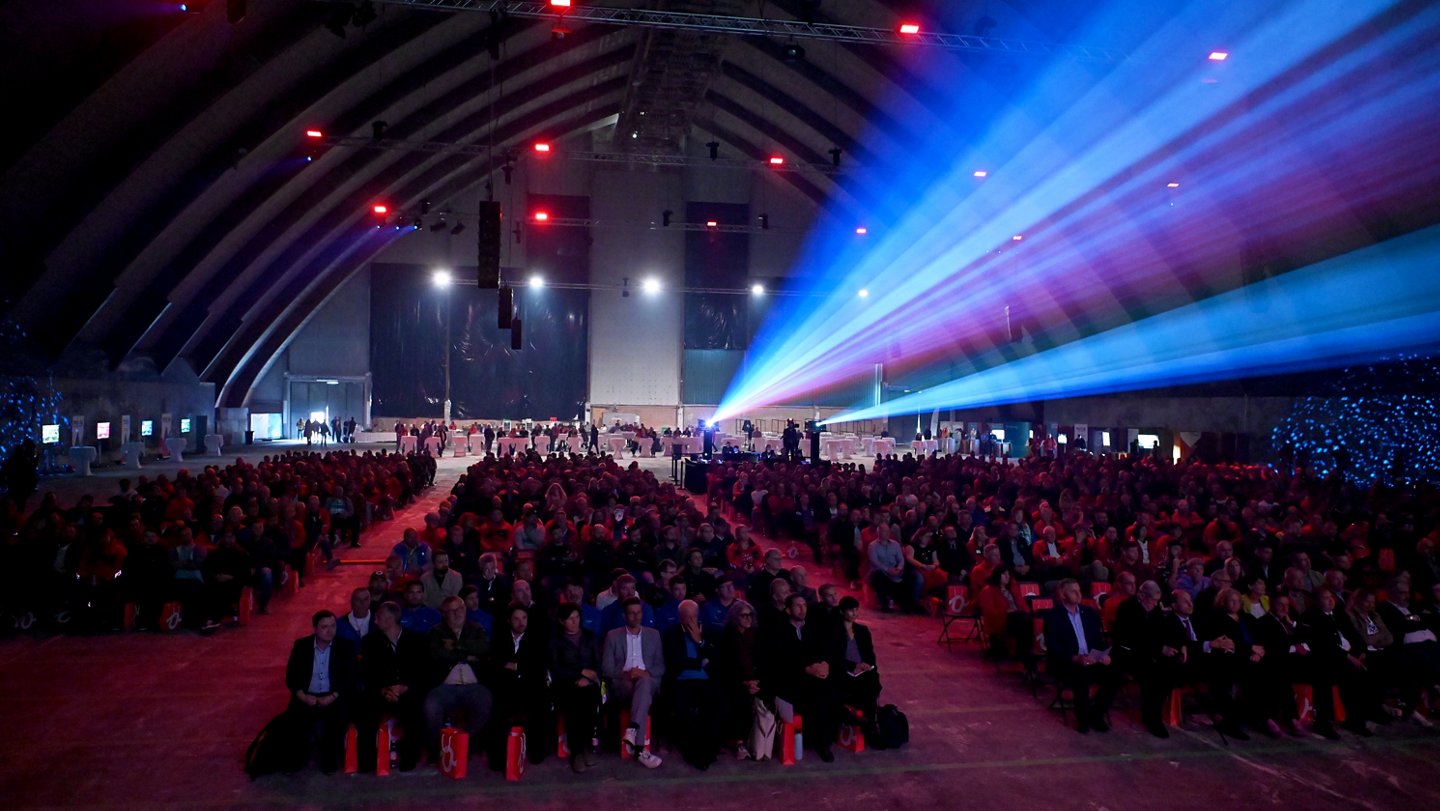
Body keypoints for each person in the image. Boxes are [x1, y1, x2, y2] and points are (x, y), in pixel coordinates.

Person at [357, 601, 428, 772]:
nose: (375, 621)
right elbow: (367, 672)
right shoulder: (370, 641)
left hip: (407, 690)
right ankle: (367, 760)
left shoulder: (416, 640)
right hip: (381, 690)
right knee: (366, 709)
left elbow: (423, 670)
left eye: (378, 618)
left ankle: (409, 756)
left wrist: (404, 687)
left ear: (390, 619)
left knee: (414, 708)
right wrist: (384, 689)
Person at [284, 610, 358, 773]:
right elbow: (291, 676)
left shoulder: (345, 646)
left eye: (333, 626)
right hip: (307, 696)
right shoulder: (302, 646)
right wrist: (302, 696)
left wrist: (333, 696)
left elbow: (350, 677)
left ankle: (329, 758)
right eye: (324, 627)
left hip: (333, 695)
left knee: (336, 722)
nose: (330, 630)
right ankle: (296, 759)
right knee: (294, 724)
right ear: (315, 629)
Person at [1042, 579, 1120, 734]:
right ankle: (1083, 718)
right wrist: (1075, 658)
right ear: (1063, 595)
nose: (1078, 594)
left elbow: (1098, 640)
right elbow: (1053, 647)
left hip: (1091, 659)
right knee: (1082, 675)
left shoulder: (1089, 613)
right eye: (1073, 591)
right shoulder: (1053, 616)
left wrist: (1104, 655)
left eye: (1079, 590)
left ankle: (1096, 714)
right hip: (1067, 662)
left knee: (1115, 674)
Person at [423, 596, 493, 766]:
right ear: (444, 613)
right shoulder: (436, 632)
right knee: (431, 706)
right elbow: (438, 655)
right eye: (452, 611)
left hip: (473, 685)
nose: (457, 614)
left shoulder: (476, 628)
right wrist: (469, 655)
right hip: (445, 686)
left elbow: (484, 648)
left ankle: (465, 743)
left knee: (486, 702)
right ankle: (438, 748)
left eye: (460, 609)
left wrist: (456, 646)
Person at [601, 597, 665, 769]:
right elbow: (606, 668)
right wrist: (627, 674)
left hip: (648, 682)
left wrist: (645, 673)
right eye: (631, 613)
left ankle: (633, 735)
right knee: (642, 689)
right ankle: (639, 747)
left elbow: (661, 667)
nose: (636, 617)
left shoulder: (654, 635)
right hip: (624, 684)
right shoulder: (613, 636)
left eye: (638, 613)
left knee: (644, 683)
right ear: (625, 616)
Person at [490, 602, 552, 766]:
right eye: (516, 619)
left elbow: (539, 665)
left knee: (539, 701)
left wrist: (516, 666)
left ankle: (537, 750)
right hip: (506, 684)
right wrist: (516, 666)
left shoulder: (537, 639)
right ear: (509, 621)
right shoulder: (500, 638)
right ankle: (499, 755)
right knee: (497, 702)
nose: (521, 622)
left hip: (531, 684)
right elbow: (496, 663)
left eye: (524, 618)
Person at [663, 599, 722, 769]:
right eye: (687, 617)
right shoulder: (671, 634)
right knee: (684, 708)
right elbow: (675, 662)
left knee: (717, 704)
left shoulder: (708, 632)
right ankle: (692, 751)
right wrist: (699, 662)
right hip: (681, 680)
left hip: (705, 680)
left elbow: (714, 659)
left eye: (694, 616)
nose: (691, 620)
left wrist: (699, 642)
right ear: (680, 617)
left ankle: (709, 749)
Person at [1111, 580, 1174, 738]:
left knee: (1169, 670)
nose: (1155, 604)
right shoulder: (1128, 608)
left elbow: (1161, 631)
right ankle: (1152, 718)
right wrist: (1159, 648)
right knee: (1152, 676)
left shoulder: (1154, 609)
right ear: (1141, 595)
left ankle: (1155, 712)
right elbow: (1132, 637)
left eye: (1157, 601)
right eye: (1152, 600)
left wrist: (1166, 646)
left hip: (1151, 653)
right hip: (1130, 654)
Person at [550, 602, 602, 773]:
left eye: (577, 617)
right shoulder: (556, 642)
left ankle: (587, 746)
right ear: (561, 621)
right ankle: (577, 752)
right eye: (570, 619)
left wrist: (589, 677)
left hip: (589, 684)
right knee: (573, 705)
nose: (575, 621)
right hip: (566, 685)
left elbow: (598, 663)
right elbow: (556, 669)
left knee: (588, 701)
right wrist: (579, 673)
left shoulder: (590, 637)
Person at [835, 596, 882, 721]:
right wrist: (852, 666)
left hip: (862, 669)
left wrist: (867, 664)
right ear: (842, 611)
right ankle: (859, 718)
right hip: (844, 670)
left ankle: (869, 720)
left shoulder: (862, 630)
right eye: (851, 610)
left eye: (856, 610)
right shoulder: (834, 631)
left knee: (871, 681)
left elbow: (870, 653)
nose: (854, 613)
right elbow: (833, 656)